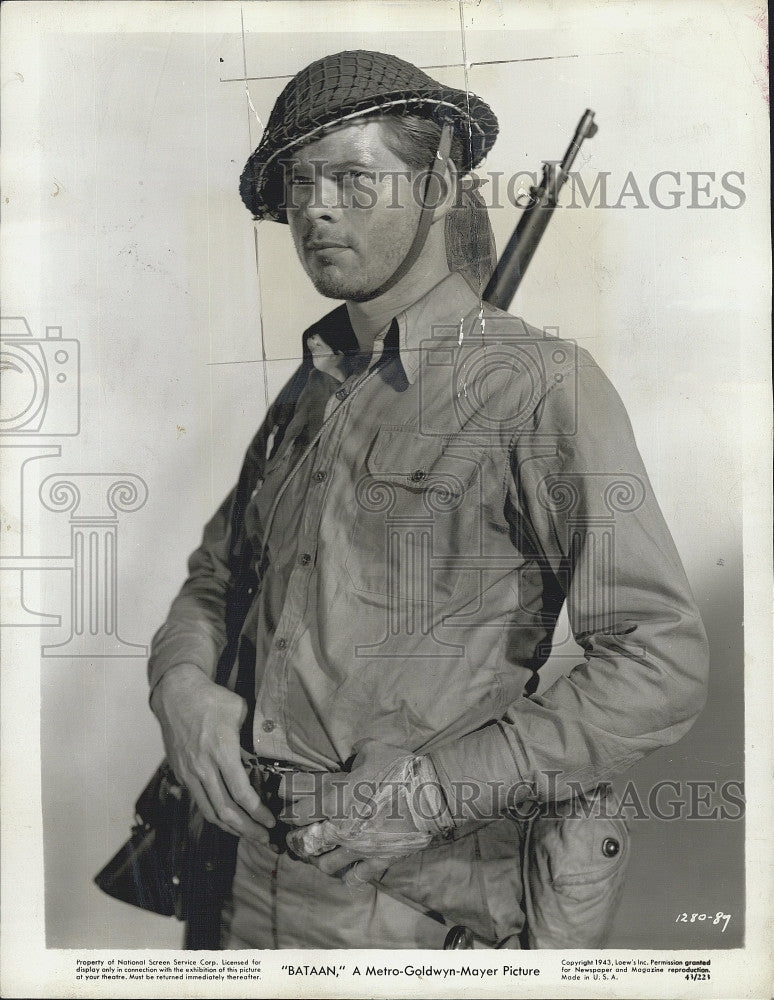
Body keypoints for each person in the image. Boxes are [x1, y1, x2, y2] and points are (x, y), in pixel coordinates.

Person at [147, 49, 709, 950]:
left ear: (440, 184)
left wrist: (434, 791)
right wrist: (180, 685)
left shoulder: (541, 387)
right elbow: (217, 576)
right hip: (235, 890)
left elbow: (659, 662)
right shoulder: (315, 386)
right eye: (298, 182)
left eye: (352, 179)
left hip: (409, 911)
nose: (316, 208)